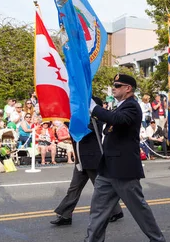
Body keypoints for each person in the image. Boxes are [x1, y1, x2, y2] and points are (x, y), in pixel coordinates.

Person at [68, 74, 167, 242]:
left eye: (117, 85)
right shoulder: (120, 106)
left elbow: (117, 120)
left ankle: (157, 240)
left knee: (138, 207)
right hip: (108, 167)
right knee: (98, 209)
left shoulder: (132, 106)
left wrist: (93, 107)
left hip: (123, 168)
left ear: (128, 88)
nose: (114, 88)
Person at [51, 97, 123, 227]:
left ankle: (115, 211)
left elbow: (82, 130)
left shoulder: (97, 120)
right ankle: (65, 215)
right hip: (81, 159)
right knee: (74, 188)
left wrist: (71, 118)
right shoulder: (85, 118)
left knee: (100, 188)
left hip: (92, 159)